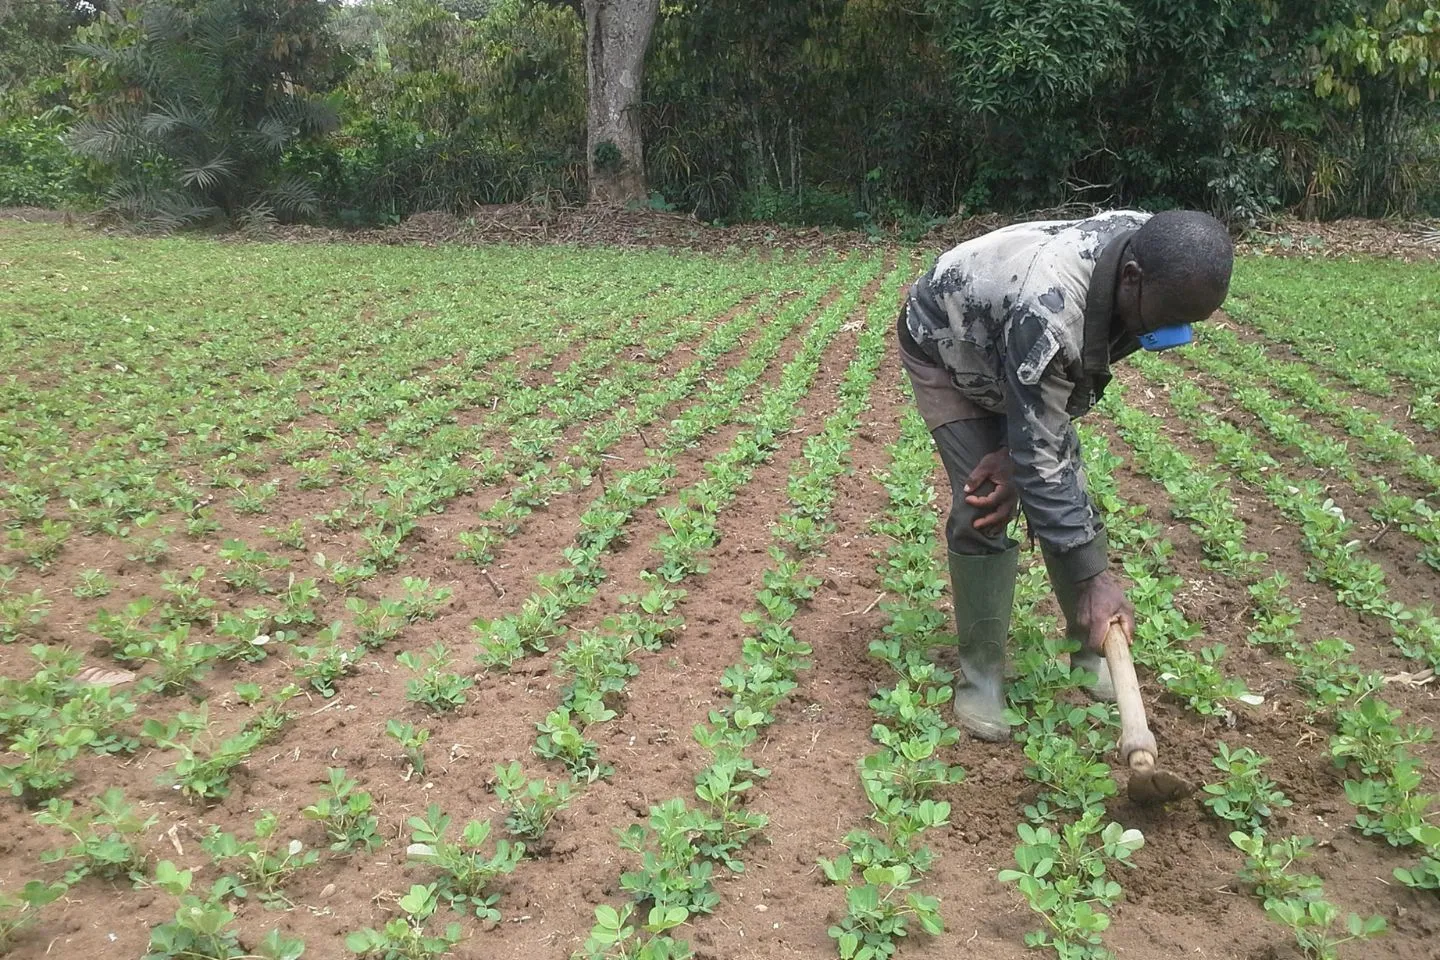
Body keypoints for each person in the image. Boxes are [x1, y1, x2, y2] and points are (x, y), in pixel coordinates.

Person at [896, 208, 1234, 741]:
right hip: (948, 343)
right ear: (1132, 278)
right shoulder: (1050, 308)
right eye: (1165, 318)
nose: (1170, 334)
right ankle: (981, 676)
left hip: (1017, 343)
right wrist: (1019, 456)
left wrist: (1024, 450)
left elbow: (1070, 384)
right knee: (984, 502)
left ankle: (1086, 646)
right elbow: (1046, 394)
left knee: (1058, 483)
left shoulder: (1152, 248)